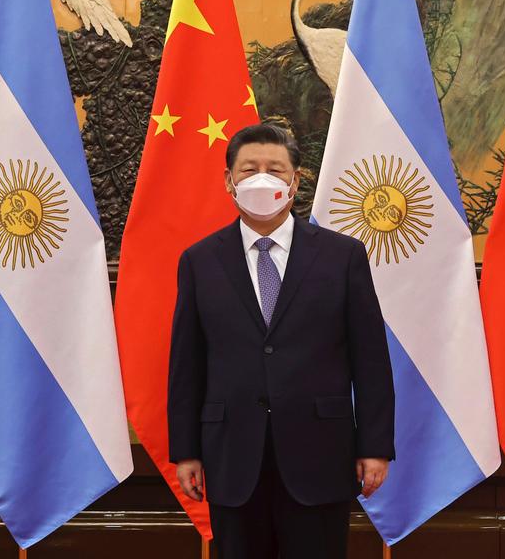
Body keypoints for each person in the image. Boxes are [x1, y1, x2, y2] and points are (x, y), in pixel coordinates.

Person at [168, 123, 395, 559]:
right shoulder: (199, 261)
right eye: (249, 168)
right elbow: (187, 367)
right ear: (228, 180)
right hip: (232, 455)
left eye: (275, 168)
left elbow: (371, 360)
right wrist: (186, 452)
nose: (261, 177)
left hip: (320, 452)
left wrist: (375, 446)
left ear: (295, 180)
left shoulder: (342, 256)